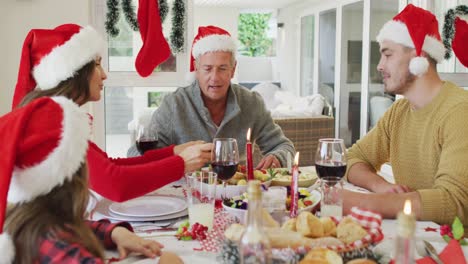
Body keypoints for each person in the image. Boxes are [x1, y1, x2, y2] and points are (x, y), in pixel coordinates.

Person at [11, 24, 212, 202]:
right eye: (97, 64)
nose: (104, 74)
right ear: (76, 72)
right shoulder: (52, 119)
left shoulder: (51, 113)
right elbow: (117, 184)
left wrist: (173, 153)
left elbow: (110, 165)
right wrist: (182, 163)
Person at [0, 97, 182, 263]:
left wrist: (114, 233)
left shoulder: (27, 223)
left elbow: (70, 227)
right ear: (72, 176)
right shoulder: (55, 247)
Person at [343, 4, 468, 232]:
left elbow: (453, 202)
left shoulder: (460, 111)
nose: (380, 66)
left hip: (453, 248)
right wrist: (381, 187)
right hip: (414, 236)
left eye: (388, 54)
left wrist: (363, 203)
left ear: (418, 56)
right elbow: (353, 158)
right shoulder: (398, 113)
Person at [128, 25, 295, 169]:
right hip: (186, 195)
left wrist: (277, 157)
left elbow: (283, 145)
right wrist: (178, 158)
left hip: (237, 196)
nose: (215, 77)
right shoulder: (175, 104)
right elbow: (135, 156)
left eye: (222, 68)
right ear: (196, 68)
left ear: (233, 69)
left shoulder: (251, 102)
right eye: (207, 68)